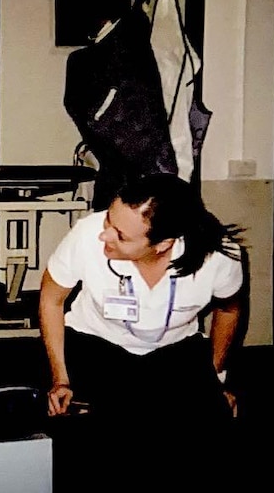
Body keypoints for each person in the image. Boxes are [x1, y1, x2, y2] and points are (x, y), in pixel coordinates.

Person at [39, 172, 245, 484]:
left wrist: (215, 377)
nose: (104, 236)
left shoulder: (219, 255)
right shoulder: (86, 234)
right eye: (109, 220)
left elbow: (229, 309)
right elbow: (51, 300)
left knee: (209, 432)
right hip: (97, 342)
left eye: (120, 235)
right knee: (103, 441)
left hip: (175, 350)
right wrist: (60, 379)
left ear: (163, 244)